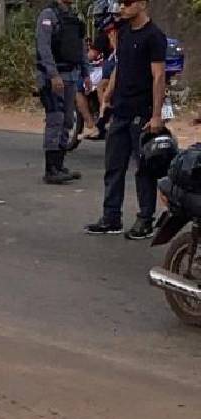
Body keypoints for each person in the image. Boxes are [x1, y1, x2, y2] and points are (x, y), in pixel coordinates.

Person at [85, 0, 167, 239]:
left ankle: (145, 219)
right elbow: (120, 66)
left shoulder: (154, 36)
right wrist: (108, 95)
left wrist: (155, 115)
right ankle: (111, 217)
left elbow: (158, 76)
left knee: (143, 168)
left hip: (141, 111)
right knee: (113, 165)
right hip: (120, 109)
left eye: (128, 2)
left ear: (142, 4)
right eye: (120, 3)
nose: (122, 7)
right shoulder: (123, 31)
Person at [35, 0, 89, 185]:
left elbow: (80, 46)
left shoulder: (73, 17)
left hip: (71, 75)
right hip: (54, 77)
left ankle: (59, 165)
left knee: (67, 121)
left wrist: (86, 72)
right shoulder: (48, 15)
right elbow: (44, 48)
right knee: (55, 120)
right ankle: (50, 169)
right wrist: (53, 74)